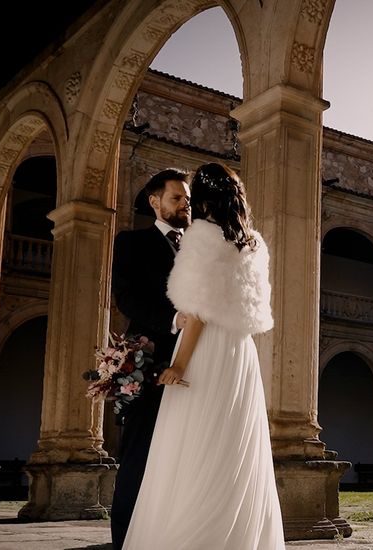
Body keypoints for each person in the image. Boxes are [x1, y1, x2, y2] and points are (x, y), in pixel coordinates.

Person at [123, 162, 284, 549]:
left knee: (191, 448)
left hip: (206, 351)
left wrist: (178, 364)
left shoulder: (201, 237)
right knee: (233, 449)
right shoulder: (255, 244)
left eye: (190, 196)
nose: (187, 204)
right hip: (240, 355)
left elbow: (196, 313)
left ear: (205, 199)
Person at [109, 168, 192, 550]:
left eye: (187, 199)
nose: (184, 205)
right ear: (154, 201)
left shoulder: (199, 246)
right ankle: (126, 540)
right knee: (139, 454)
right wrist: (174, 320)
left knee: (185, 455)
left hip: (197, 363)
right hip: (149, 360)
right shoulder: (132, 242)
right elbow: (127, 298)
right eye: (177, 198)